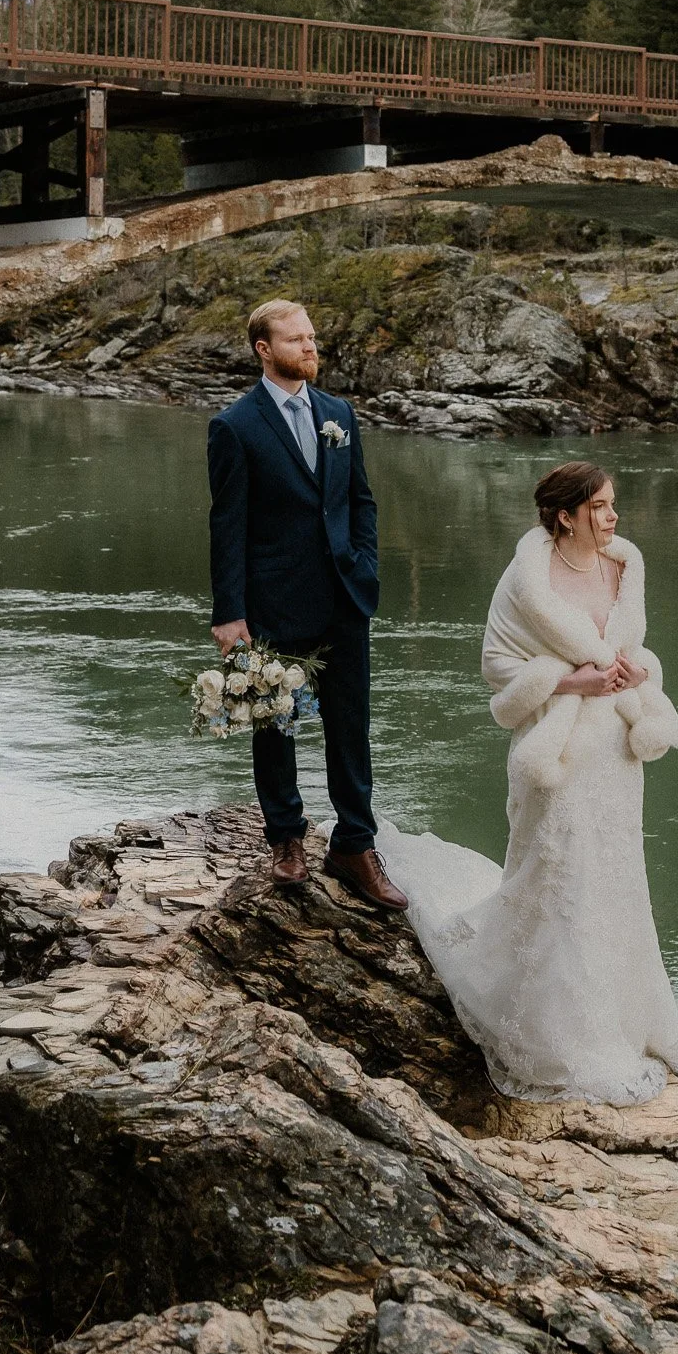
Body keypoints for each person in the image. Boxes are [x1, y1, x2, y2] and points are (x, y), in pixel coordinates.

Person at [377, 461, 678, 1102]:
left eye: (613, 506)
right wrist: (568, 680)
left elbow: (634, 648)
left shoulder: (626, 568)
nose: (612, 518)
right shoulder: (526, 583)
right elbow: (496, 668)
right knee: (559, 875)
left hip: (617, 756)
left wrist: (634, 673)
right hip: (557, 752)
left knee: (615, 877)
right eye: (601, 507)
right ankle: (558, 1034)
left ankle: (624, 1018)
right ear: (565, 516)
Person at [206, 299, 407, 910]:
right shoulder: (234, 426)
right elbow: (227, 524)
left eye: (312, 338)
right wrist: (229, 613)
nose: (310, 347)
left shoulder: (338, 414)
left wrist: (365, 563)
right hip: (271, 601)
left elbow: (360, 501)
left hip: (344, 596)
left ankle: (354, 844)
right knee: (275, 724)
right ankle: (286, 840)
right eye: (296, 340)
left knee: (351, 726)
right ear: (264, 349)